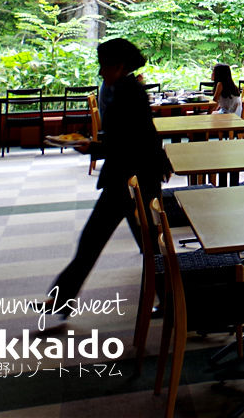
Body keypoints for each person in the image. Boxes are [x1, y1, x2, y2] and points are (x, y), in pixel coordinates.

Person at [48, 37, 171, 317]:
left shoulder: (128, 92)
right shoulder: (125, 89)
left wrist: (93, 147)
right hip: (132, 178)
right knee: (146, 245)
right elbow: (137, 138)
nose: (101, 72)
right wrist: (93, 146)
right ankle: (61, 300)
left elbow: (132, 142)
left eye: (104, 66)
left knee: (111, 242)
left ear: (117, 66)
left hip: (130, 179)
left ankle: (61, 300)